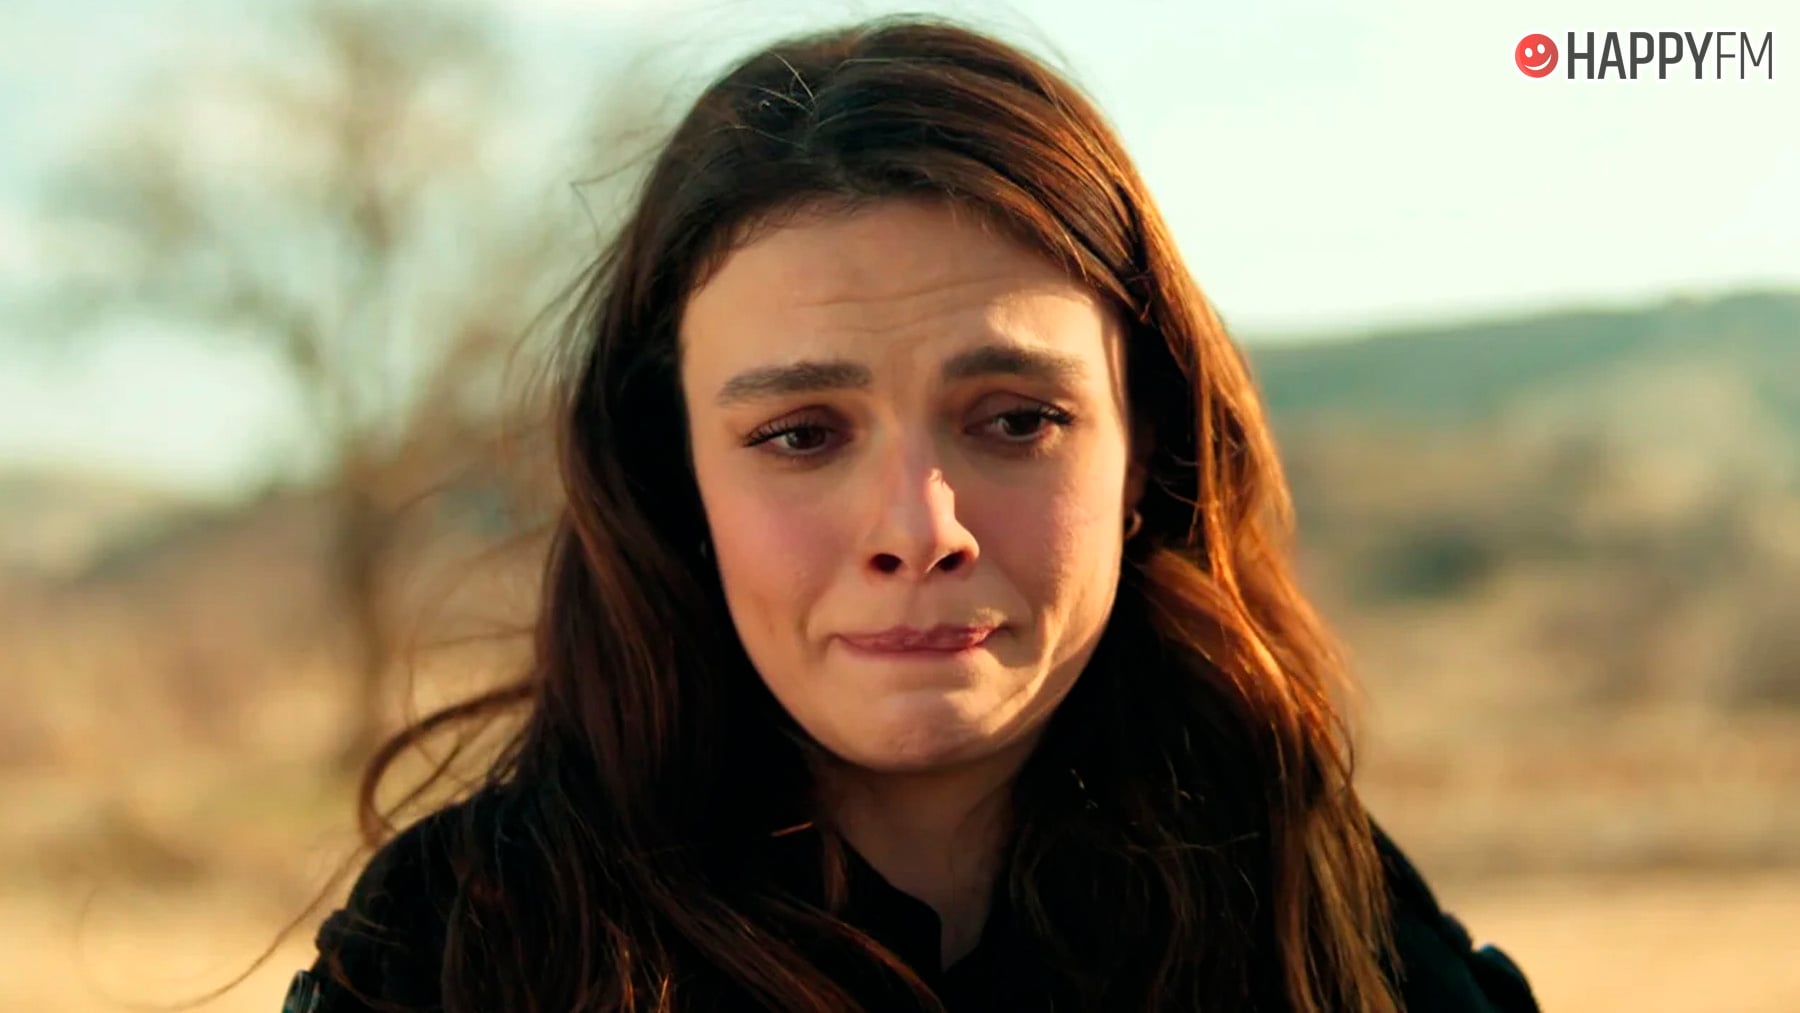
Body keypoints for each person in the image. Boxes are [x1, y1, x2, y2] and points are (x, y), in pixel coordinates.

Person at [283, 16, 1539, 1013]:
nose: (919, 527)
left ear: (1143, 447)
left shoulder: (1332, 924)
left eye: (1015, 419)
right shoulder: (460, 956)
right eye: (800, 434)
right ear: (674, 474)